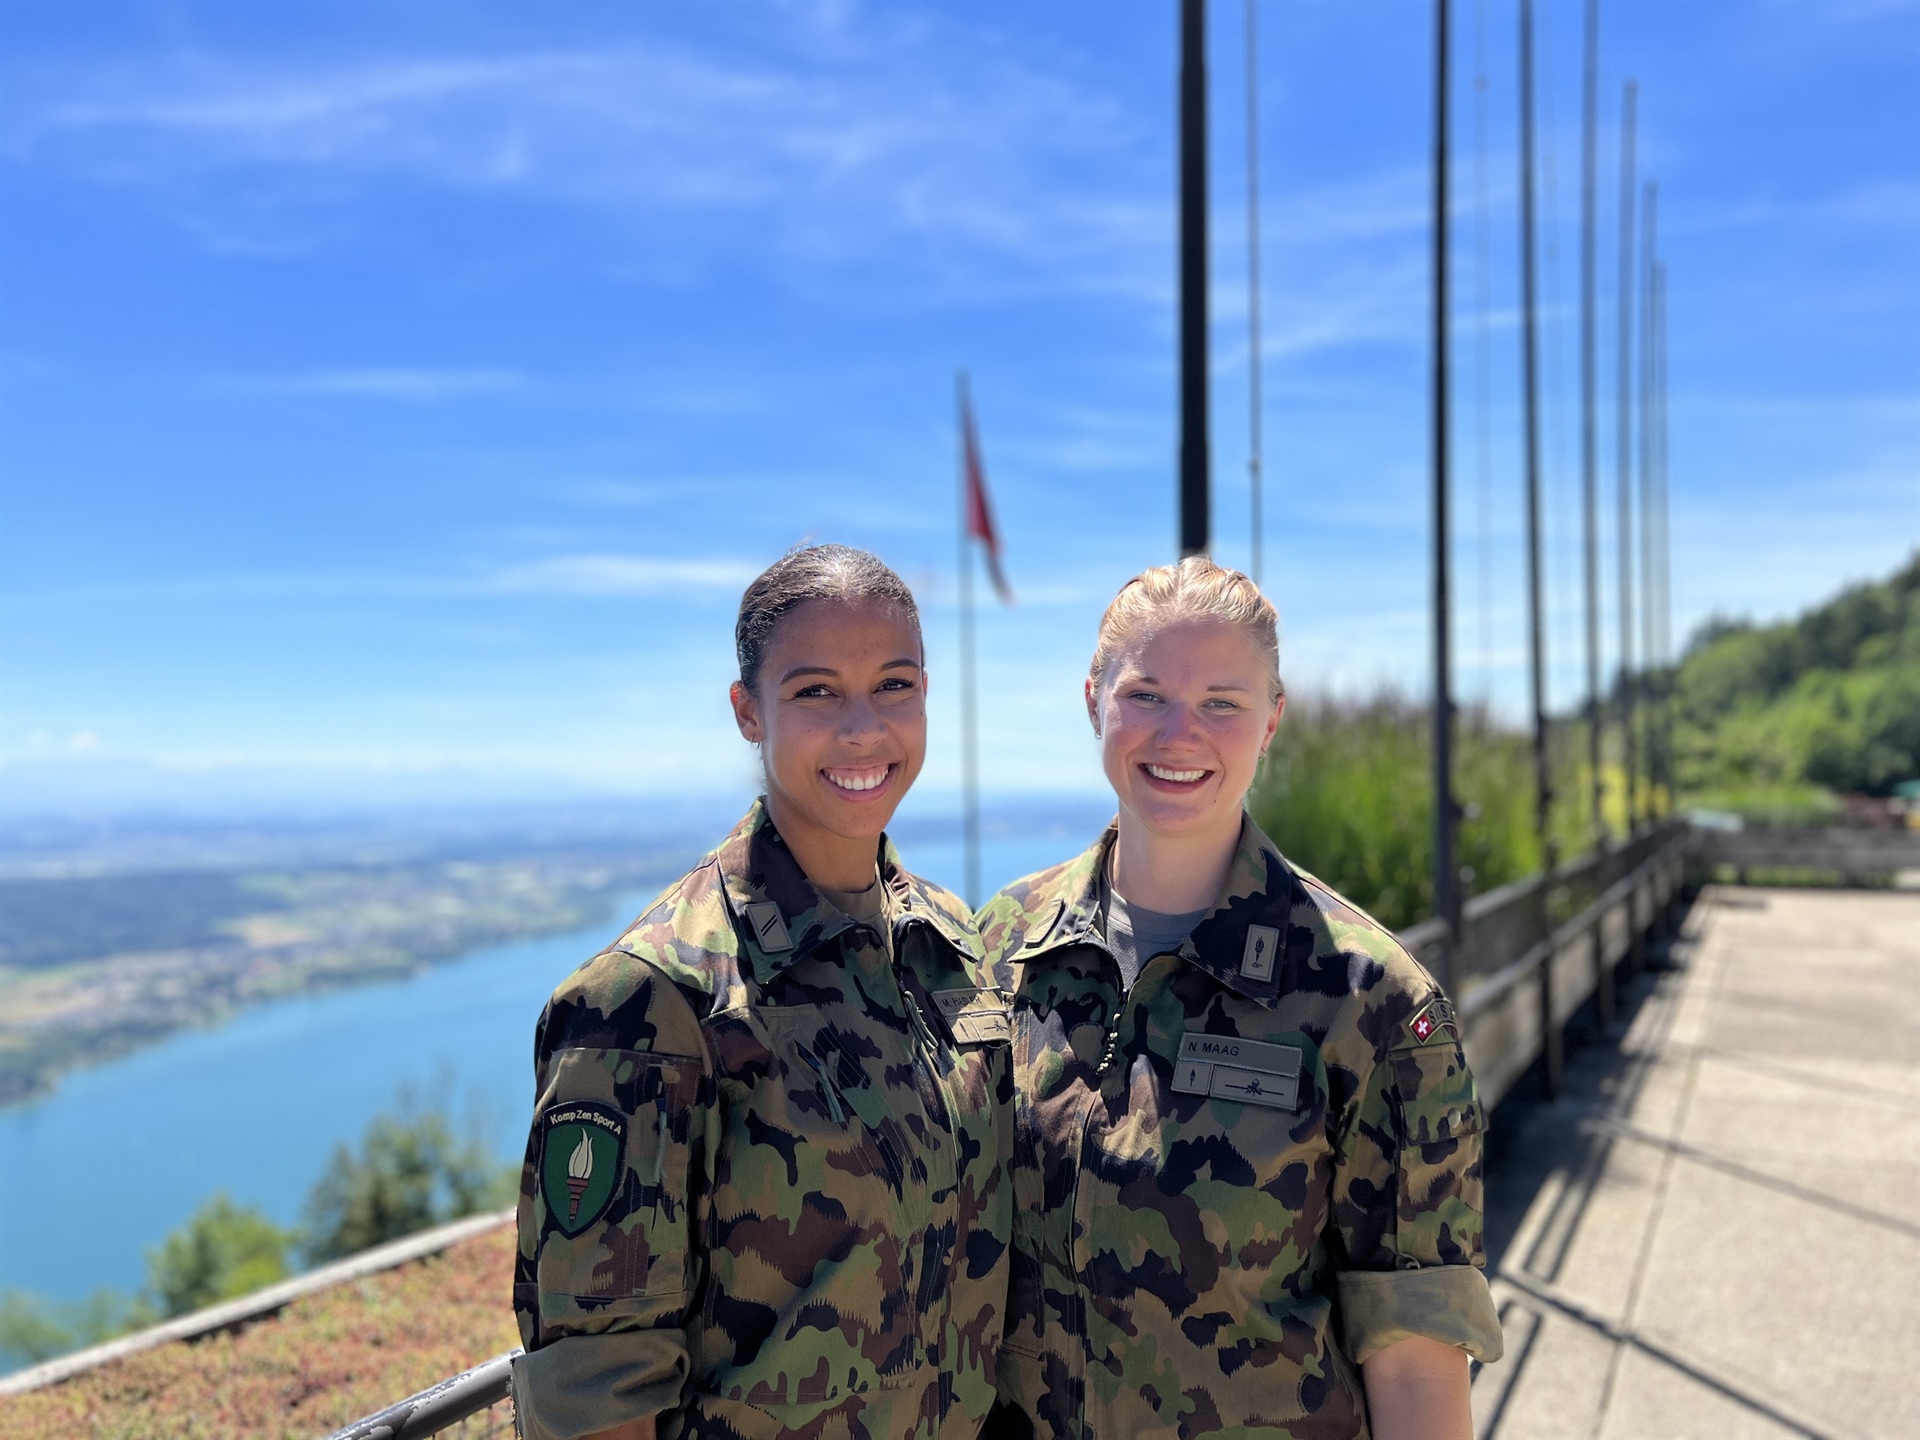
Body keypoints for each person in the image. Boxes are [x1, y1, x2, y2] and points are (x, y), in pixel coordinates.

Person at [979, 557, 1501, 1440]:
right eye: (1145, 694)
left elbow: (1416, 1351)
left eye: (1222, 703)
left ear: (1271, 723)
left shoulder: (1367, 997)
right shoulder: (1001, 946)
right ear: (1093, 701)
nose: (1180, 733)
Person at [511, 544, 1013, 1440]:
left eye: (894, 685)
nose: (863, 728)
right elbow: (594, 1394)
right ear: (749, 712)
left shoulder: (950, 944)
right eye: (815, 691)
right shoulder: (650, 1000)